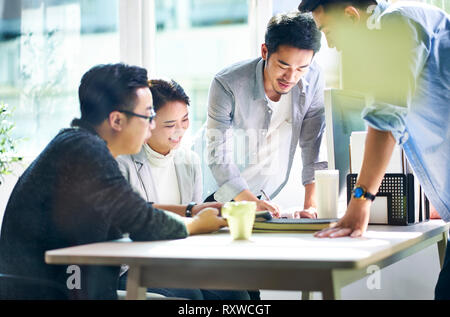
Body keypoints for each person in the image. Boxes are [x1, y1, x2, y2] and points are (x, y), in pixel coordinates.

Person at [0, 63, 226, 300]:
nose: (151, 127)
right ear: (117, 120)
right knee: (191, 299)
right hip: (52, 292)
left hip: (66, 286)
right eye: (148, 116)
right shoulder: (86, 152)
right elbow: (144, 222)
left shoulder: (79, 145)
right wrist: (197, 223)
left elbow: (131, 212)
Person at [297, 0, 450, 299]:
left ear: (352, 17)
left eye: (329, 31)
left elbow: (385, 119)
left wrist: (361, 200)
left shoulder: (394, 25)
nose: (330, 44)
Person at [116, 79, 250, 300]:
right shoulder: (122, 162)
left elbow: (195, 225)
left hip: (177, 260)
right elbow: (129, 220)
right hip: (134, 264)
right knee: (190, 296)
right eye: (170, 124)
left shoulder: (189, 161)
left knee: (237, 294)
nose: (179, 130)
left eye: (185, 119)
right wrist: (192, 212)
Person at [206, 12, 327, 219]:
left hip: (264, 195)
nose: (291, 77)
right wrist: (251, 203)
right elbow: (218, 156)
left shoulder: (314, 77)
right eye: (283, 65)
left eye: (302, 68)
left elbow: (312, 146)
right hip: (216, 195)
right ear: (264, 51)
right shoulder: (227, 84)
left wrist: (311, 206)